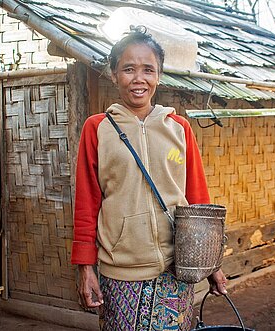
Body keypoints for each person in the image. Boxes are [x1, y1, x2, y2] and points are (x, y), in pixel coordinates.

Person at [71, 26, 227, 330]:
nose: (138, 78)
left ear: (159, 75)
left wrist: (212, 265)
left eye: (148, 70)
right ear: (114, 74)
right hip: (120, 273)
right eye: (128, 69)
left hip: (177, 269)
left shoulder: (179, 129)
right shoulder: (97, 129)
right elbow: (86, 204)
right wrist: (85, 267)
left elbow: (198, 200)